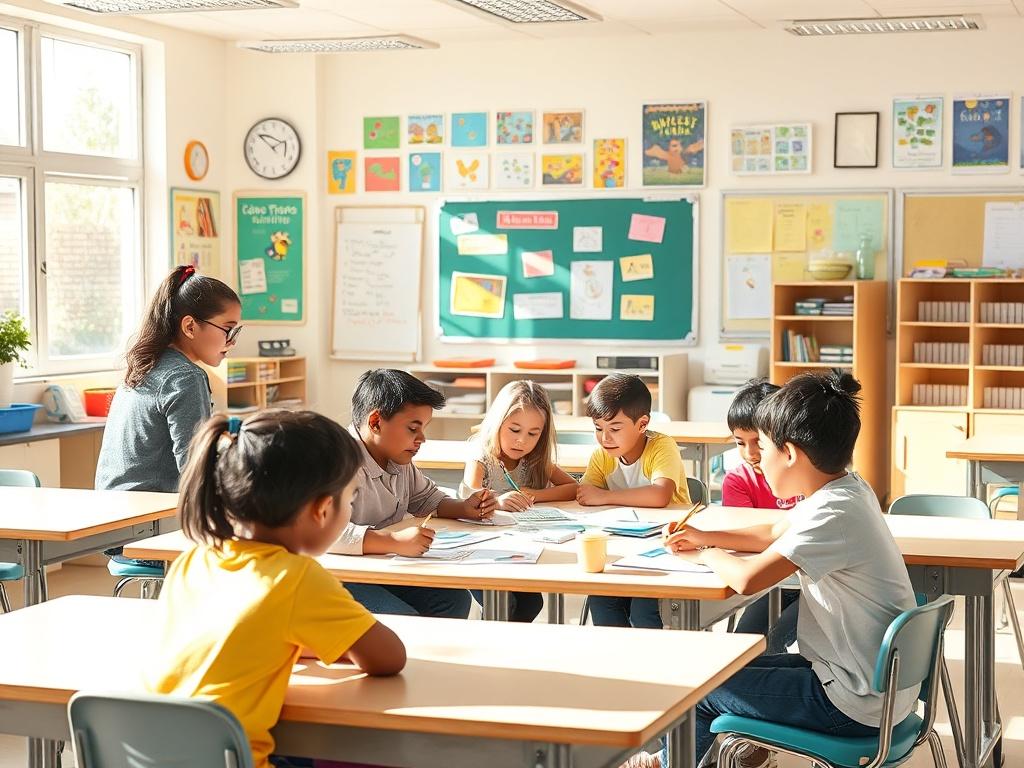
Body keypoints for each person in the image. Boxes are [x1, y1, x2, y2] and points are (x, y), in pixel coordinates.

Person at [145, 410, 406, 768]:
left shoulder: (195, 560)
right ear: (322, 509)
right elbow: (388, 658)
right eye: (351, 498)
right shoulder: (295, 577)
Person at [461, 380, 578, 621]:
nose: (522, 441)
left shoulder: (533, 458)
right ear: (498, 423)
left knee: (531, 602)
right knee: (506, 603)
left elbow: (573, 488)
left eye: (533, 434)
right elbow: (468, 494)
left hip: (521, 548)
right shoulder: (481, 454)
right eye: (515, 430)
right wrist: (498, 501)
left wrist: (533, 495)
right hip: (481, 550)